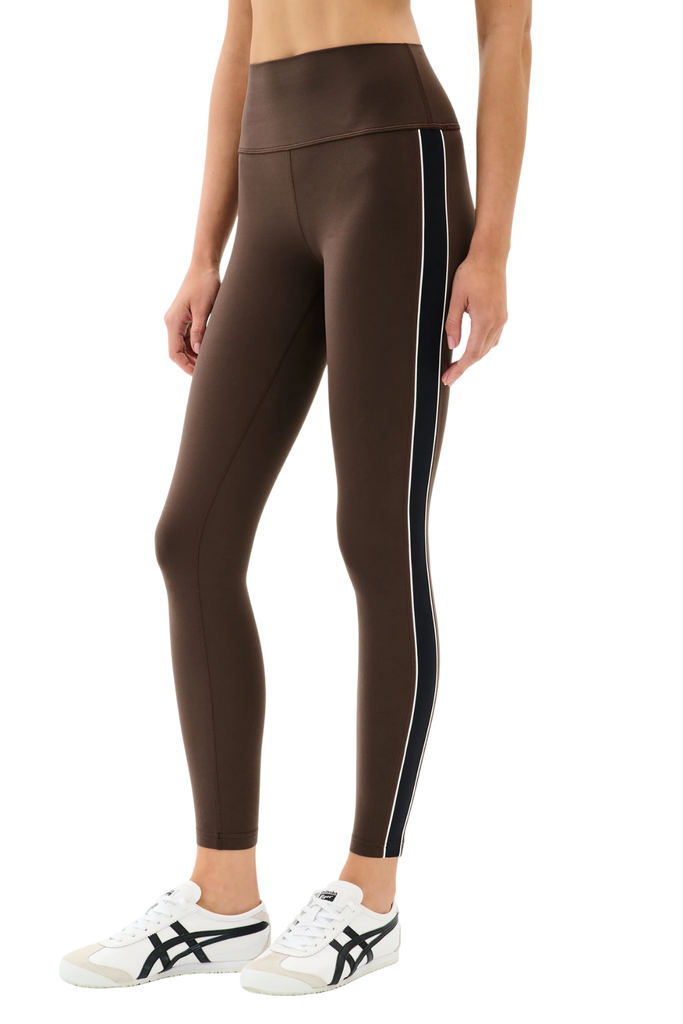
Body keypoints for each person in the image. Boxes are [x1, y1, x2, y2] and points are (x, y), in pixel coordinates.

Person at [56, 0, 535, 996]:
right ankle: (223, 897)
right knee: (191, 535)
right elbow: (238, 30)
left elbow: (504, 29)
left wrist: (490, 251)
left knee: (374, 530)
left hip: (389, 156)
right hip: (269, 165)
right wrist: (203, 250)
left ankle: (370, 894)